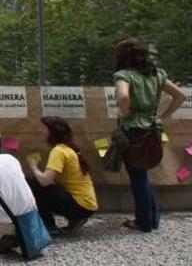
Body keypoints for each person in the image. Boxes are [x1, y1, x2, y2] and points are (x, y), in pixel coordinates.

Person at [113, 38, 187, 232]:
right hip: (153, 129)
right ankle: (152, 219)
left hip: (133, 131)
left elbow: (123, 97)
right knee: (143, 174)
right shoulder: (157, 74)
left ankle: (144, 222)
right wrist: (163, 116)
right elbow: (181, 95)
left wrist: (126, 113)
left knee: (137, 176)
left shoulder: (123, 75)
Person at [26, 116, 97, 235]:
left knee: (32, 183)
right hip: (87, 205)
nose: (40, 131)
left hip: (80, 205)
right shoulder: (68, 148)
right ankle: (74, 218)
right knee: (39, 184)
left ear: (52, 132)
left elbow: (45, 181)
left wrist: (33, 165)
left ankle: (49, 226)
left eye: (44, 129)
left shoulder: (58, 151)